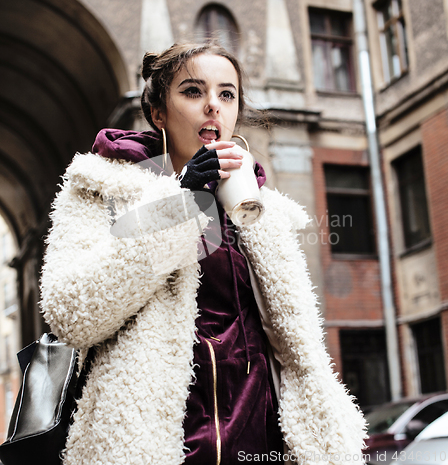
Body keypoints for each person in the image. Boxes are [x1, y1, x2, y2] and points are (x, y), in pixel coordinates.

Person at [40, 43, 367, 465]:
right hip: (153, 443)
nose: (213, 105)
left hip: (259, 440)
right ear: (158, 113)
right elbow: (72, 314)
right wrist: (182, 202)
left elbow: (296, 349)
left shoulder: (268, 214)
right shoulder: (100, 190)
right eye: (194, 92)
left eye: (227, 94)